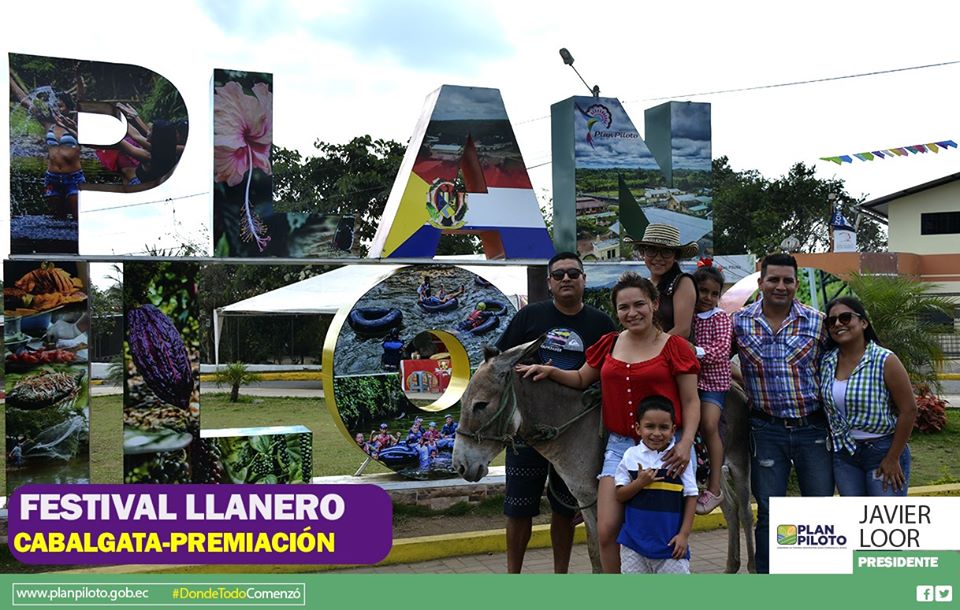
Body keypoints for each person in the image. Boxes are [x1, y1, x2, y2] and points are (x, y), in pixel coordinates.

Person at [516, 271, 699, 573]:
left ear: (654, 304)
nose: (632, 313)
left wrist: (685, 443)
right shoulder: (609, 343)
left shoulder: (674, 347)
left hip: (667, 449)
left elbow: (691, 401)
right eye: (623, 307)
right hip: (620, 447)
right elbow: (581, 378)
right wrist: (551, 372)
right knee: (606, 529)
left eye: (639, 304)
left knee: (663, 531)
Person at [496, 252, 616, 574]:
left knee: (565, 509)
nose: (566, 279)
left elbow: (611, 374)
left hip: (576, 436)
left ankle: (560, 576)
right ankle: (512, 577)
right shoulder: (529, 317)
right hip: (527, 432)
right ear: (549, 282)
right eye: (559, 274)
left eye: (573, 274)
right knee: (518, 508)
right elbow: (500, 364)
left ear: (584, 280)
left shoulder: (602, 324)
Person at [732, 252, 833, 574]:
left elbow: (839, 364)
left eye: (787, 280)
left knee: (818, 511)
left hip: (812, 429)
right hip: (766, 430)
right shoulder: (739, 322)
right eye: (773, 279)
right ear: (761, 282)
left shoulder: (817, 322)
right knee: (770, 513)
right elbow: (717, 361)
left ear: (796, 284)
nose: (780, 286)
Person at [820, 296, 917, 496]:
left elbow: (909, 410)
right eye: (831, 321)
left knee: (883, 515)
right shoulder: (827, 362)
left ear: (863, 322)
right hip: (845, 454)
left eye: (845, 318)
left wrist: (893, 457)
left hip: (882, 451)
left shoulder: (885, 360)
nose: (838, 324)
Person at [615, 395, 698, 573]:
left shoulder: (679, 459)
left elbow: (692, 496)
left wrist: (684, 535)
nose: (657, 433)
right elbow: (620, 495)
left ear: (673, 429)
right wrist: (640, 483)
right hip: (633, 547)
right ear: (638, 428)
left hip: (671, 547)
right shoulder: (630, 456)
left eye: (664, 427)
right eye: (650, 426)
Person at [692, 262, 732, 514]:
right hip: (689, 381)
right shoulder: (687, 316)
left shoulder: (720, 317)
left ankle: (715, 487)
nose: (708, 297)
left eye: (714, 293)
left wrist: (694, 351)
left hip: (713, 382)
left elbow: (722, 350)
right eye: (703, 291)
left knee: (708, 425)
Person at [634, 223, 699, 339]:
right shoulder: (643, 285)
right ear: (643, 253)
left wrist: (649, 347)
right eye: (651, 250)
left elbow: (683, 330)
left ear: (675, 256)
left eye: (666, 252)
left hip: (673, 349)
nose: (658, 258)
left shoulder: (683, 282)